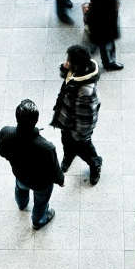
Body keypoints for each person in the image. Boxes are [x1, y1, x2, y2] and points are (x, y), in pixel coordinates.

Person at [0, 99, 65, 230]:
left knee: (20, 189)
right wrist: (61, 180)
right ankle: (38, 220)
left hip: (20, 175)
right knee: (41, 202)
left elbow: (2, 152)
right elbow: (54, 169)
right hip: (41, 184)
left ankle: (22, 204)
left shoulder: (6, 133)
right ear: (36, 120)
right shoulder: (46, 148)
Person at [50, 45, 103, 186]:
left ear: (77, 65)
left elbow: (87, 118)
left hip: (78, 129)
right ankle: (69, 155)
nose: (66, 63)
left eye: (69, 61)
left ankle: (95, 164)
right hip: (67, 120)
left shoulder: (86, 91)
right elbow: (67, 77)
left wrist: (80, 136)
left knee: (84, 149)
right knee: (66, 142)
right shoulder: (77, 72)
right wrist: (65, 68)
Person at [86, 0, 123, 70]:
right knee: (106, 42)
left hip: (104, 18)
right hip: (104, 20)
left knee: (104, 40)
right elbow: (100, 7)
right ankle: (109, 63)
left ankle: (96, 45)